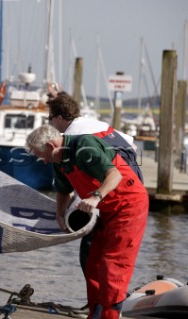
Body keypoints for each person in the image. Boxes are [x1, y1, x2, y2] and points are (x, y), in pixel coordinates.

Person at [25, 125, 148, 319]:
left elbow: (114, 175)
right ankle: (95, 314)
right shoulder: (59, 161)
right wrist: (59, 214)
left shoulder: (84, 146)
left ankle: (111, 315)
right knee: (93, 263)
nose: (43, 160)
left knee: (113, 265)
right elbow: (64, 191)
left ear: (51, 145)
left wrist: (95, 197)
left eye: (42, 154)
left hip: (129, 205)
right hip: (106, 211)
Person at [45, 89, 144, 277]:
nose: (50, 124)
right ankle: (103, 298)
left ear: (58, 118)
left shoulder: (73, 135)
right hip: (132, 181)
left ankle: (100, 300)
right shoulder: (95, 124)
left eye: (50, 119)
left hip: (114, 189)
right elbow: (129, 146)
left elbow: (72, 183)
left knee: (90, 251)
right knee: (111, 251)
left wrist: (62, 213)